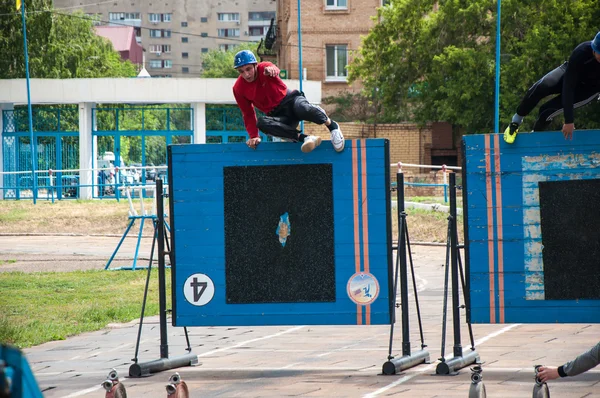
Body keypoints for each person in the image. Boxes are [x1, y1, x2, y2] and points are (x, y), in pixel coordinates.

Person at [232, 50, 345, 153]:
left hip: (291, 101)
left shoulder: (264, 68)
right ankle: (305, 138)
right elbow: (248, 113)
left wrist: (272, 70)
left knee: (303, 109)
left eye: (248, 69)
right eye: (241, 71)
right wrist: (253, 136)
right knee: (262, 123)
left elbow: (274, 69)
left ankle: (332, 126)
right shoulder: (238, 88)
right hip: (279, 116)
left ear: (255, 65)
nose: (246, 74)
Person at [504, 32, 600, 144]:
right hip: (570, 76)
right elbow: (568, 86)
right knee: (541, 86)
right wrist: (569, 120)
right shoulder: (581, 51)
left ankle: (535, 137)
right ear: (594, 49)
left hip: (588, 89)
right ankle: (515, 122)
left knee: (546, 111)